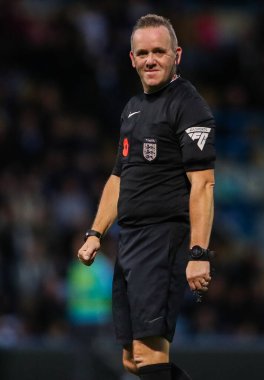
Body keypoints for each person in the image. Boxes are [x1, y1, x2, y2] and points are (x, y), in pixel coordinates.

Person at [78, 14, 216, 380]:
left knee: (149, 352)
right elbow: (118, 177)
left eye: (159, 51)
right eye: (143, 53)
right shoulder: (133, 108)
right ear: (132, 58)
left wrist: (199, 253)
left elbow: (203, 184)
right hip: (130, 241)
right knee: (131, 360)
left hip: (163, 237)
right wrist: (95, 233)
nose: (150, 59)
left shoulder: (189, 106)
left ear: (177, 55)